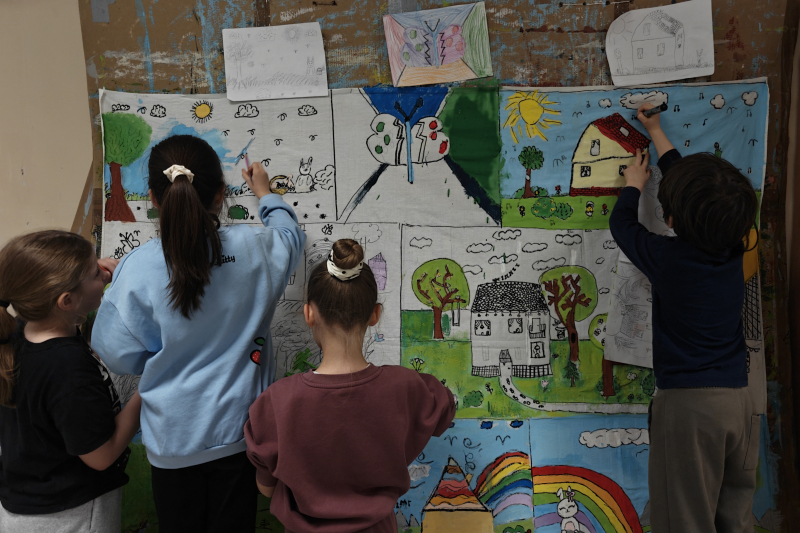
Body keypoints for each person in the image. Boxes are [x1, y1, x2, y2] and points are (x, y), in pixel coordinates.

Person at [92, 135, 306, 532]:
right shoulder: (256, 247)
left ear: (154, 199)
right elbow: (291, 236)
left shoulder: (136, 268)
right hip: (239, 438)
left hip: (172, 444)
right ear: (221, 194)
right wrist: (265, 193)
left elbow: (117, 354)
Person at [610, 103, 760, 533]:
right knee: (734, 518)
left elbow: (624, 227)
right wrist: (656, 130)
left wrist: (633, 185)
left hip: (690, 410)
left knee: (684, 521)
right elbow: (696, 191)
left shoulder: (670, 259)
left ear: (672, 220)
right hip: (739, 401)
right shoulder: (735, 246)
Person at [244, 239, 455, 533]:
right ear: (375, 315)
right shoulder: (406, 388)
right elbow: (445, 404)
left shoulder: (276, 403)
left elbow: (266, 488)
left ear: (309, 314)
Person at [0, 230, 141, 532]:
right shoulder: (67, 368)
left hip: (31, 502)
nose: (103, 272)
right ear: (66, 301)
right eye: (95, 272)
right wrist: (147, 392)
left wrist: (91, 276)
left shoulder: (23, 328)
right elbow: (102, 456)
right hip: (70, 516)